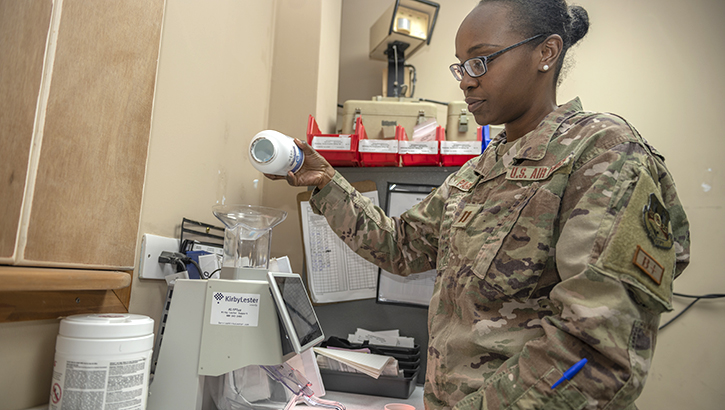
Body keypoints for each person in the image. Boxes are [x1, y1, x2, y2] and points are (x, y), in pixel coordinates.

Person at [266, 1, 690, 409]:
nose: (467, 80)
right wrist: (325, 182)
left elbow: (595, 355)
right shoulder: (483, 170)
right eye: (461, 66)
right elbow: (400, 245)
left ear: (546, 52)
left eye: (481, 61)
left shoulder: (601, 152)